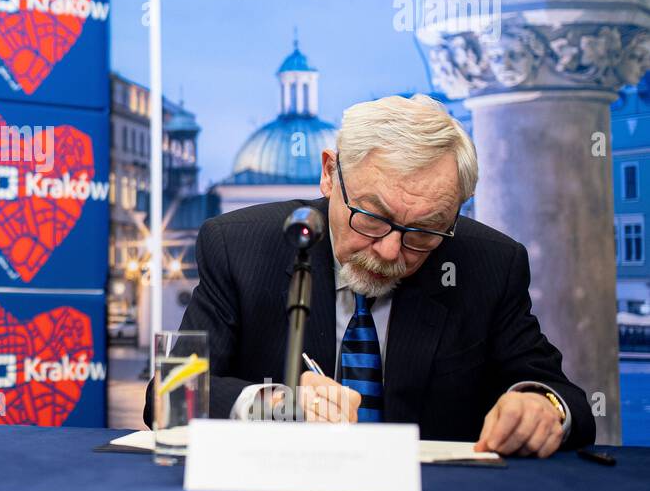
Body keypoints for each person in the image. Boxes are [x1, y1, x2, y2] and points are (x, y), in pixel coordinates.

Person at [145, 94, 596, 457]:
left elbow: (566, 399)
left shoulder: (488, 263)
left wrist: (542, 408)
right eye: (372, 218)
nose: (390, 250)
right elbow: (167, 398)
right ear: (329, 174)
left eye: (423, 231)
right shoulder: (240, 246)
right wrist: (274, 406)